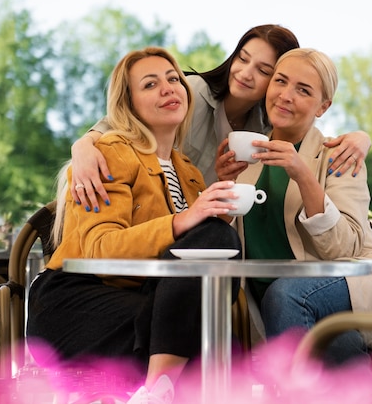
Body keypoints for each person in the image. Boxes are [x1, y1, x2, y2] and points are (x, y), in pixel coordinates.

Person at [26, 47, 243, 404]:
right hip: (76, 301)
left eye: (174, 79)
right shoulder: (111, 151)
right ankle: (157, 392)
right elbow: (100, 248)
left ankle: (155, 391)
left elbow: (187, 262)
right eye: (150, 84)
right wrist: (185, 219)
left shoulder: (188, 171)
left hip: (141, 300)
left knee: (213, 323)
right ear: (128, 103)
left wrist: (219, 204)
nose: (168, 88)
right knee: (207, 340)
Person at [216, 48, 372, 366]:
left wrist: (303, 175)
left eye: (303, 90)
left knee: (287, 295)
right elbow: (224, 241)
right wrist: (223, 191)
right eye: (280, 82)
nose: (285, 95)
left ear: (323, 106)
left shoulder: (339, 156)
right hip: (276, 302)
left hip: (351, 282)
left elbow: (345, 248)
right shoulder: (248, 156)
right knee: (333, 339)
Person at [70, 24, 372, 213]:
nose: (245, 73)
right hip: (148, 213)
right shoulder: (189, 91)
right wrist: (82, 147)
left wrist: (362, 138)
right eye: (243, 59)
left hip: (203, 226)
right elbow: (118, 120)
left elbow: (311, 134)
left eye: (264, 71)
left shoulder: (267, 131)